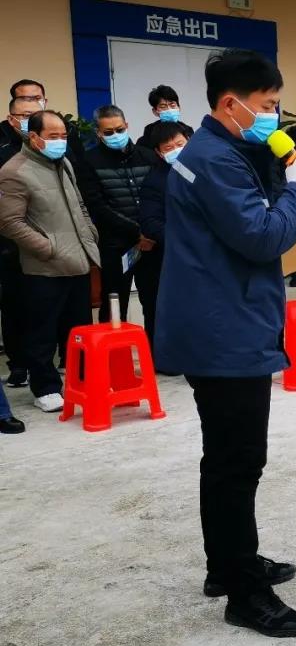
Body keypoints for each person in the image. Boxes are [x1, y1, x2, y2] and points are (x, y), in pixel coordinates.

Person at [155, 48, 296, 637]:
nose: (274, 119)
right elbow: (258, 235)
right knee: (238, 462)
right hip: (222, 332)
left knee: (227, 458)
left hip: (225, 315)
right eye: (267, 107)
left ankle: (225, 565)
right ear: (230, 104)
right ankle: (243, 594)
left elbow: (240, 245)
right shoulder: (214, 160)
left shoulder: (220, 151)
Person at [0, 110, 99, 414]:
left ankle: (81, 381)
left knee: (78, 328)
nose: (59, 142)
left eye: (63, 136)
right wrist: (47, 248)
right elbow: (9, 222)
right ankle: (45, 387)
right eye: (52, 136)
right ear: (33, 136)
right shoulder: (14, 171)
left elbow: (78, 204)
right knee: (42, 331)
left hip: (78, 259)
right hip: (44, 266)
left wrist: (90, 234)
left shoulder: (64, 163)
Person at [82, 104, 156, 325]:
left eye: (120, 129)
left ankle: (157, 355)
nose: (116, 135)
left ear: (127, 126)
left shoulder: (148, 156)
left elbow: (159, 197)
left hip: (152, 244)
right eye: (109, 132)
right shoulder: (89, 161)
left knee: (155, 303)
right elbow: (97, 207)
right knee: (114, 304)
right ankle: (113, 356)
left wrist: (151, 230)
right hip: (116, 246)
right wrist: (137, 231)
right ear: (98, 133)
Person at [137, 121, 189, 357]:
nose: (176, 150)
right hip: (166, 257)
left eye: (180, 144)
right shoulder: (155, 180)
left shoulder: (203, 169)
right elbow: (151, 222)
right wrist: (186, 240)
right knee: (161, 309)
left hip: (201, 256)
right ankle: (163, 357)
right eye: (169, 148)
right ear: (158, 152)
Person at [0, 96, 40, 388]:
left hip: (46, 241)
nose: (28, 120)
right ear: (11, 118)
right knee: (14, 307)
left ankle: (44, 362)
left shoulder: (52, 152)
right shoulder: (6, 154)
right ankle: (19, 366)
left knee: (41, 308)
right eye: (23, 114)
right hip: (10, 243)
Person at [137, 85, 194, 149]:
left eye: (172, 105)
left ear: (179, 107)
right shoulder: (148, 136)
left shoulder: (189, 132)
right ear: (155, 111)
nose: (169, 109)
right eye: (163, 107)